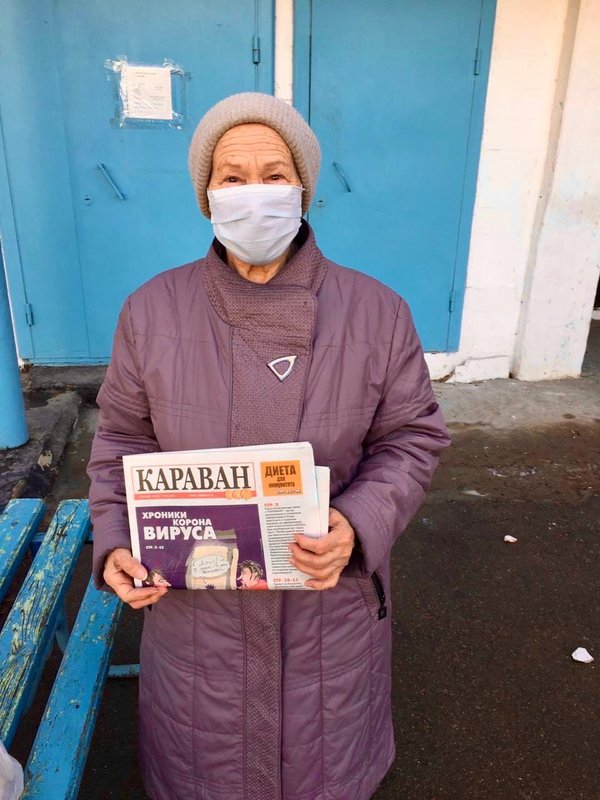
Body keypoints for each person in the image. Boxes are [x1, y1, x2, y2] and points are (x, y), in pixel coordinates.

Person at [88, 92, 451, 800]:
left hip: (329, 613)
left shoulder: (378, 312)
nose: (254, 193)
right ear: (206, 196)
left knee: (323, 770)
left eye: (275, 173)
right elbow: (122, 443)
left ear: (303, 190)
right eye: (231, 176)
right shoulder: (150, 311)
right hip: (197, 621)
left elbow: (411, 438)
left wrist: (358, 523)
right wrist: (117, 543)